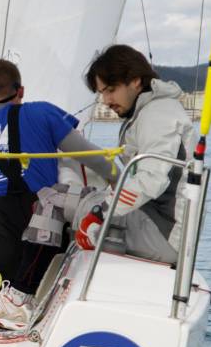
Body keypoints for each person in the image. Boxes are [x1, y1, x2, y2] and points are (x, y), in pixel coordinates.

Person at [0, 59, 114, 329]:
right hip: (41, 241)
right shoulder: (43, 113)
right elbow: (92, 156)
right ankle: (1, 299)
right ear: (21, 91)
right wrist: (120, 181)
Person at [77, 44, 196, 264]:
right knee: (81, 200)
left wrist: (100, 211)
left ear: (136, 81)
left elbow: (150, 180)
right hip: (160, 226)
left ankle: (21, 291)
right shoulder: (149, 111)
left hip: (163, 235)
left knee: (70, 204)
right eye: (102, 93)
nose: (105, 100)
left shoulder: (158, 115)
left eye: (110, 90)